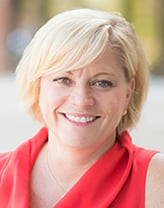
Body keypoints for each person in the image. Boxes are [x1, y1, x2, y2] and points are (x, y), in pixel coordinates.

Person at [0, 8, 164, 208]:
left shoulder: (156, 180)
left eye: (102, 83)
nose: (81, 100)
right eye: (63, 79)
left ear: (128, 93)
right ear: (37, 86)